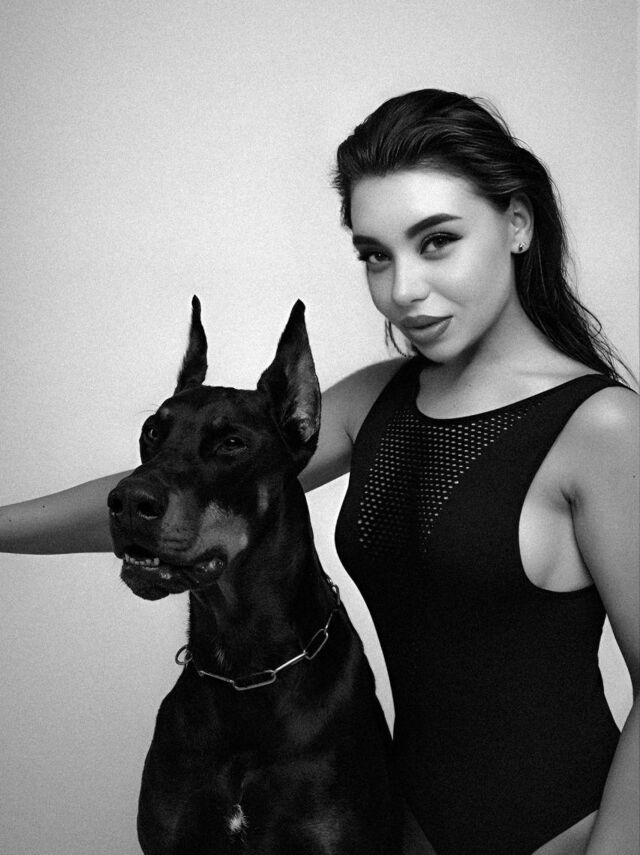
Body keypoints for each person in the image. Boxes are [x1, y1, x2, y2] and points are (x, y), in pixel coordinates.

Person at [0, 89, 637, 855]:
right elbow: (173, 496)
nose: (402, 289)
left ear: (518, 223)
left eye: (437, 241)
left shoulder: (602, 426)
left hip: (564, 839)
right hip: (401, 832)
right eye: (376, 254)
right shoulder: (380, 400)